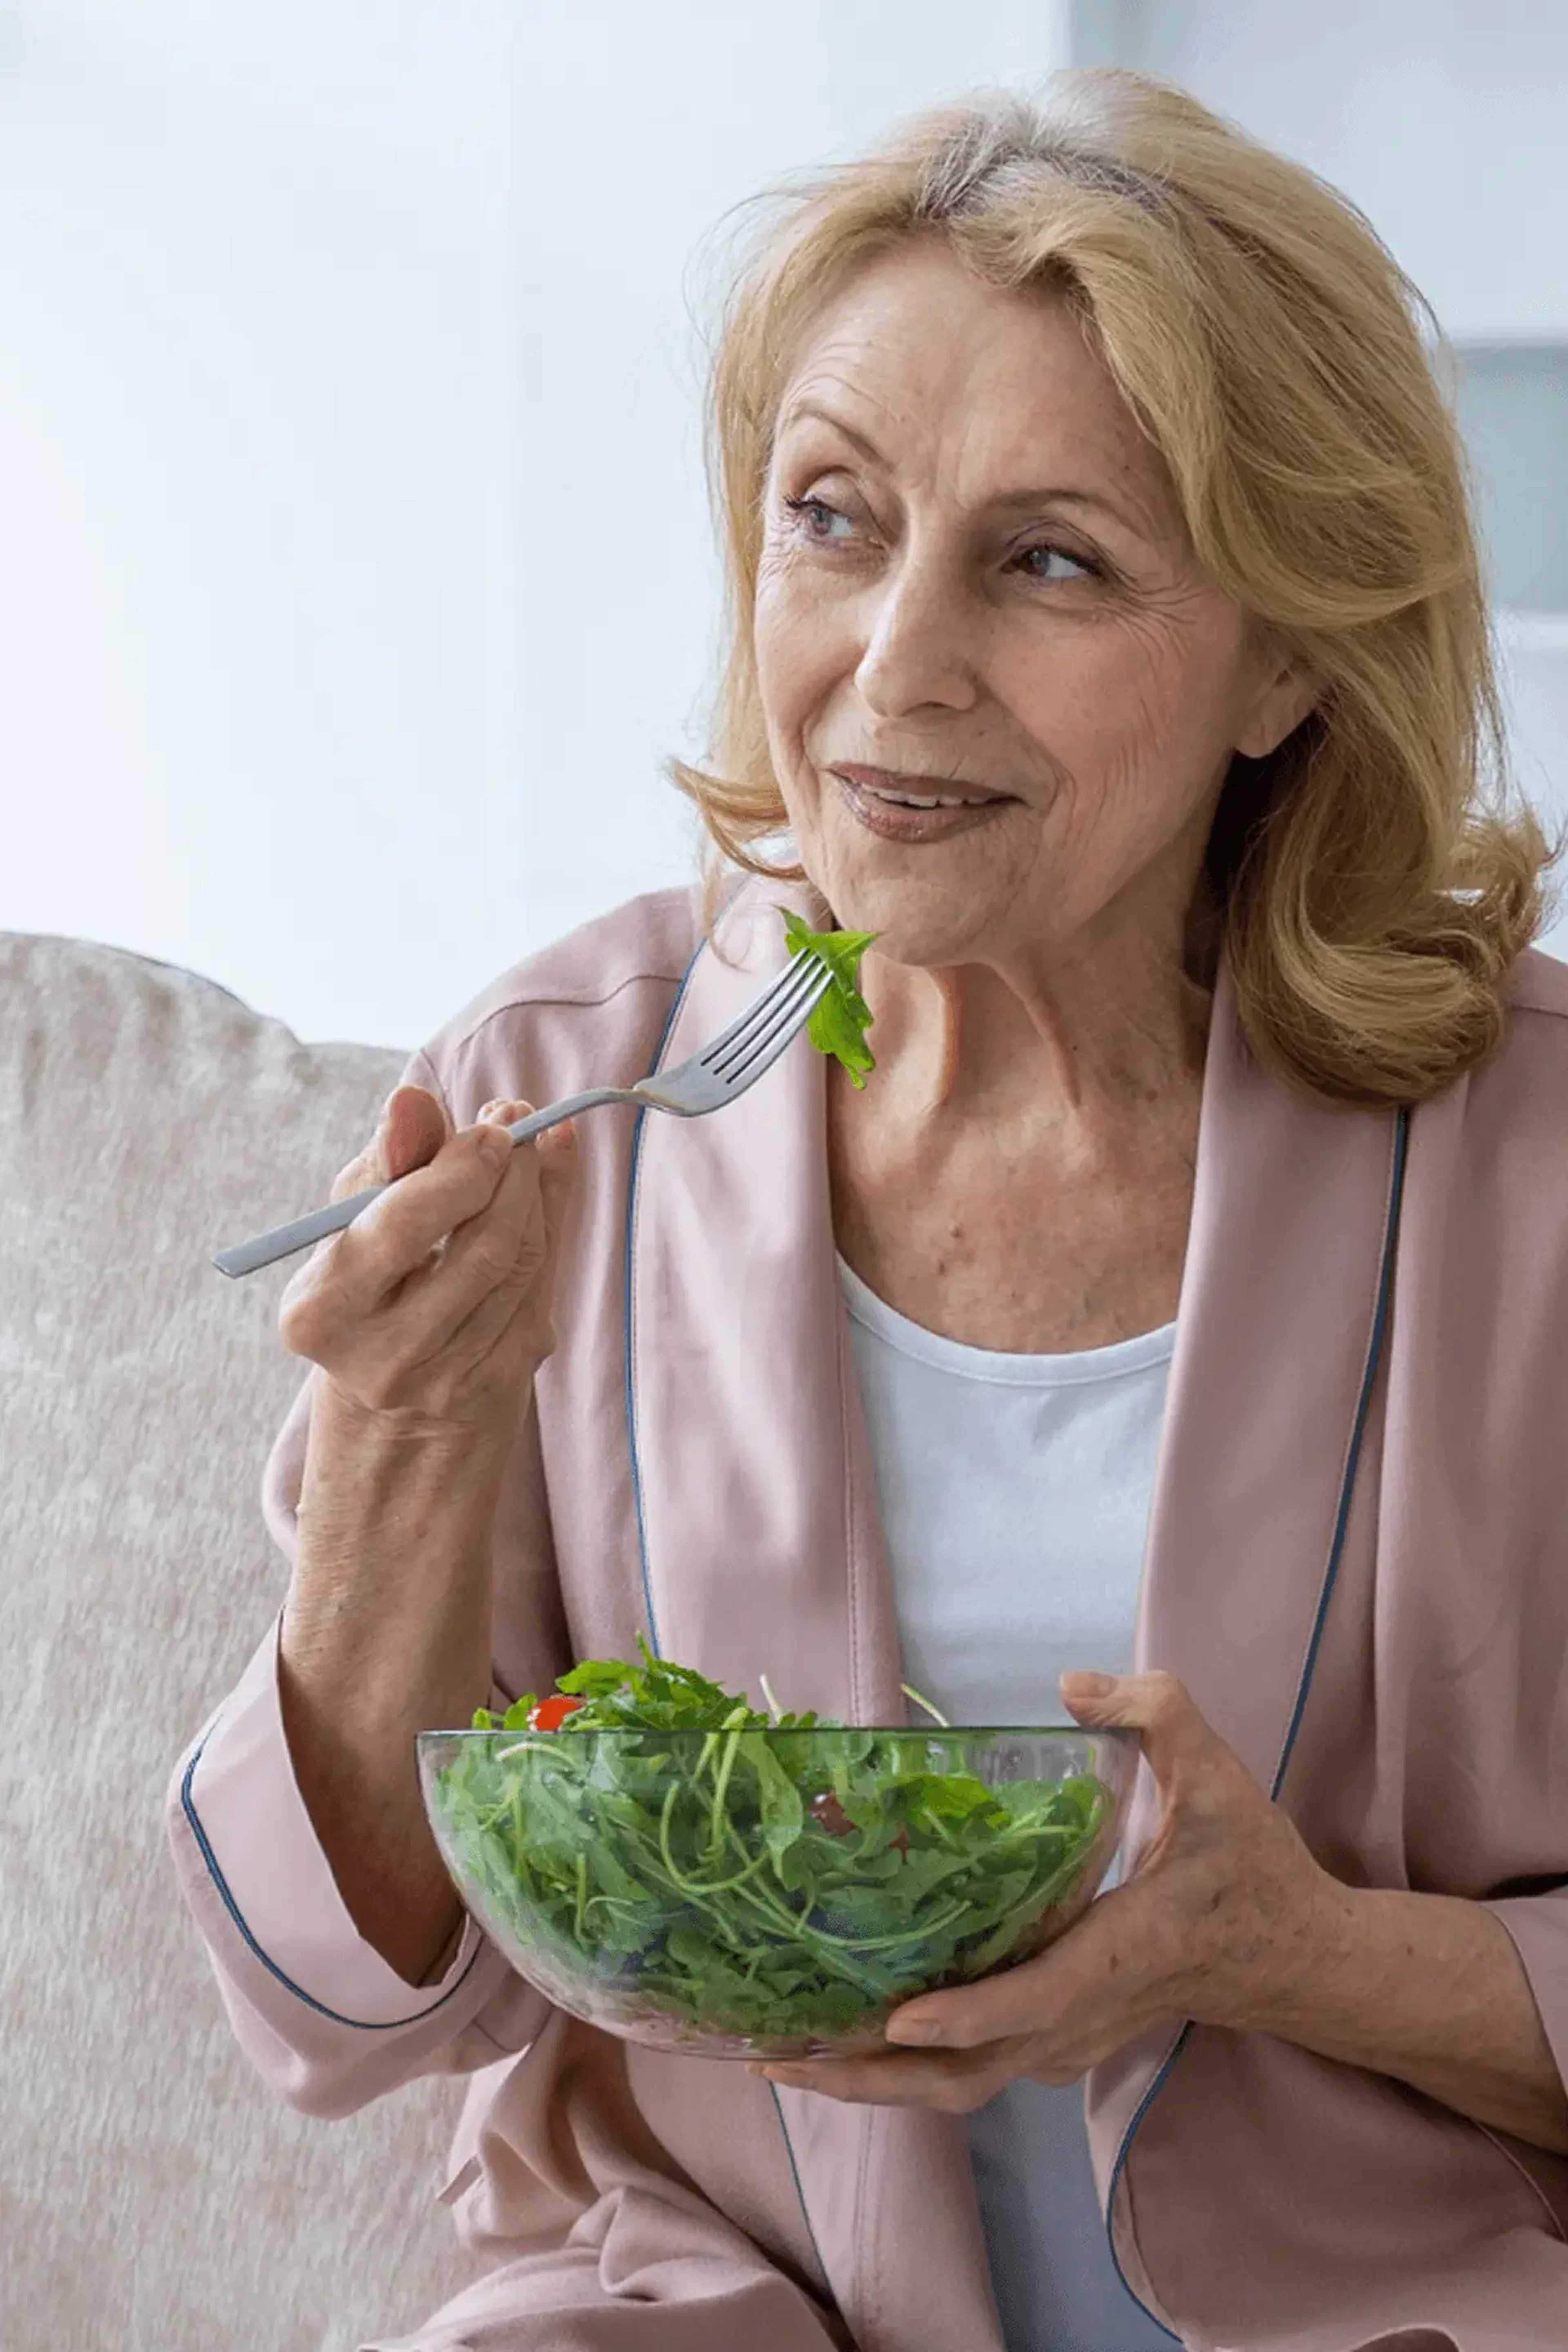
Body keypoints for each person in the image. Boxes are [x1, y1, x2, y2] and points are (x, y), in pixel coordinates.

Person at [167, 67, 1568, 2352]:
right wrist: (405, 1460)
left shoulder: (1532, 1166)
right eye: (834, 518)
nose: (890, 667)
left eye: (1049, 560)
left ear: (1290, 659)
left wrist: (1297, 1949)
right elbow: (332, 2014)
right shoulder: (561, 1092)